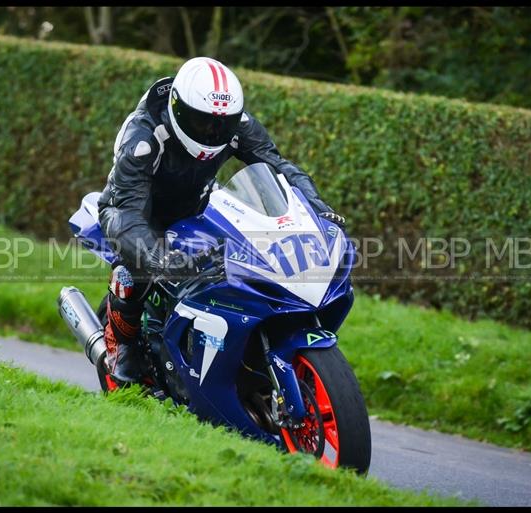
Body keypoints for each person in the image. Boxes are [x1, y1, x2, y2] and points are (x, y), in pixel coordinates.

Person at [97, 57, 345, 385]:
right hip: (135, 210)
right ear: (177, 109)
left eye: (220, 124)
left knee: (240, 263)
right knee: (134, 272)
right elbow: (127, 211)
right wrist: (159, 258)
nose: (212, 132)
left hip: (197, 205)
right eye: (201, 122)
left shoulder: (238, 125)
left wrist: (318, 209)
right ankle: (121, 344)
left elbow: (277, 166)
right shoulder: (142, 137)